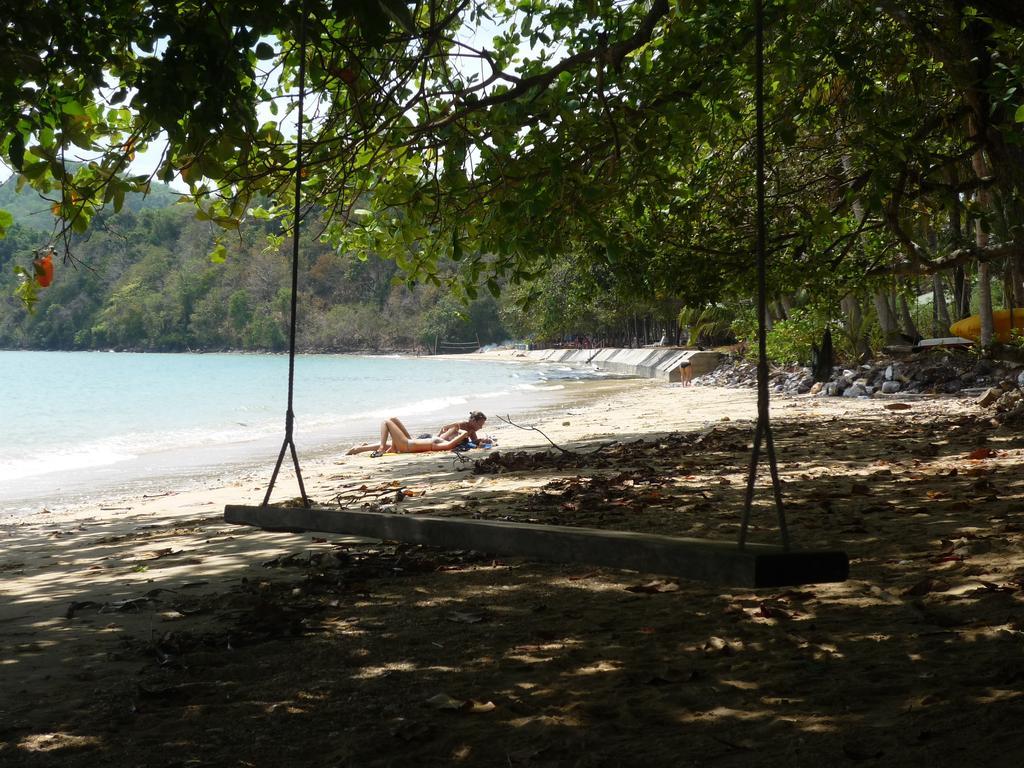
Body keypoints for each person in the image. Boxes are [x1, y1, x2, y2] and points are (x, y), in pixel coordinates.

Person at [346, 416, 472, 457]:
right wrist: (451, 428)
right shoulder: (443, 441)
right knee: (393, 419)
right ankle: (360, 449)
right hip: (409, 442)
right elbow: (456, 427)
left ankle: (380, 449)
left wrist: (461, 434)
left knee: (386, 422)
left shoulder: (446, 445)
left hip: (406, 445)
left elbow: (463, 433)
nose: (453, 435)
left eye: (456, 436)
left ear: (458, 440)